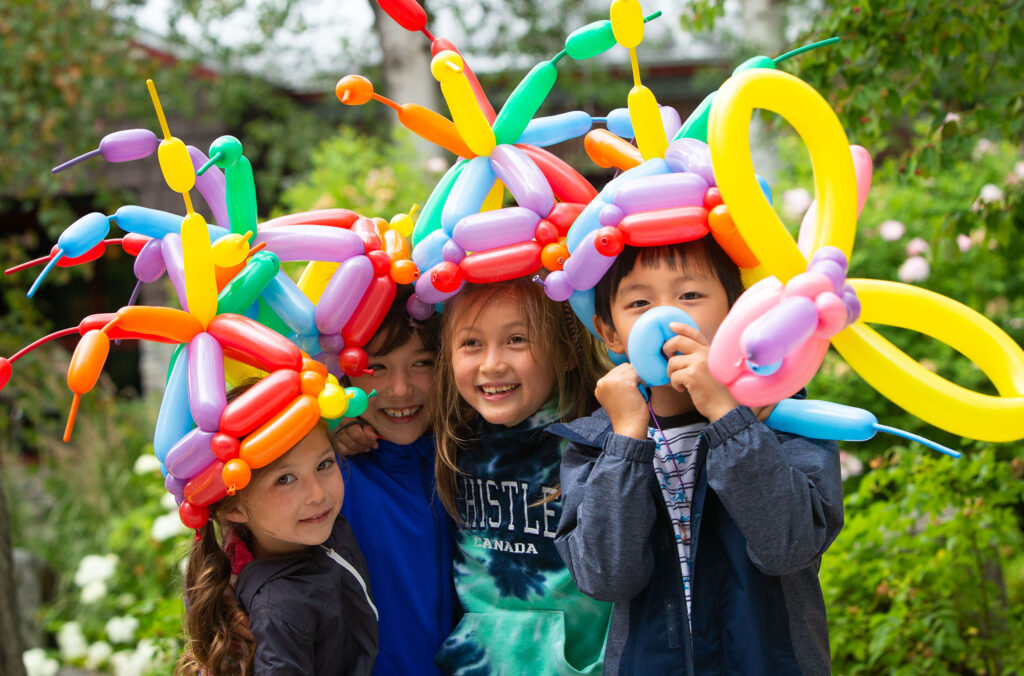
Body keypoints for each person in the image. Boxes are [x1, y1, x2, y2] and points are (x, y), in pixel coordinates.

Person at [551, 238, 844, 675]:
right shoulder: (596, 443)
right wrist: (627, 441)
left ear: (736, 311)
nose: (666, 317)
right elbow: (607, 577)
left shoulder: (784, 420)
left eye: (690, 295)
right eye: (639, 302)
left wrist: (730, 419)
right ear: (610, 331)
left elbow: (789, 547)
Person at [431, 277, 612, 675]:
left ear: (565, 351)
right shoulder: (449, 440)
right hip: (480, 665)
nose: (492, 363)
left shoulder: (598, 441)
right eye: (471, 343)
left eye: (516, 340)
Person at [177, 382, 378, 676]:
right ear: (234, 509)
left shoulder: (298, 531)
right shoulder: (279, 612)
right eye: (285, 479)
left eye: (323, 464)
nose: (317, 494)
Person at [333, 288, 459, 676]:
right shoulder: (330, 477)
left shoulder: (475, 457)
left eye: (422, 363)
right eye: (376, 368)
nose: (400, 389)